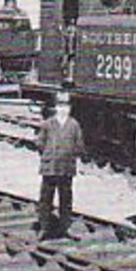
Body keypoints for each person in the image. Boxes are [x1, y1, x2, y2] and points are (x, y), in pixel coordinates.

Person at [35, 92, 83, 239]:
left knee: (66, 199)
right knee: (46, 199)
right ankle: (44, 227)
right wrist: (48, 155)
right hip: (50, 168)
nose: (63, 109)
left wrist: (70, 156)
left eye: (66, 106)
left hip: (66, 168)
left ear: (70, 108)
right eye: (60, 106)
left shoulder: (74, 125)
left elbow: (79, 145)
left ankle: (64, 227)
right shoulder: (47, 123)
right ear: (56, 108)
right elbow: (39, 143)